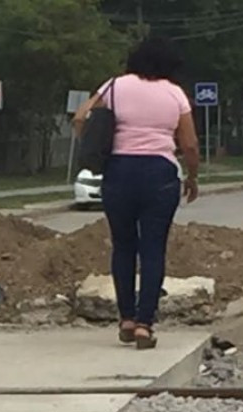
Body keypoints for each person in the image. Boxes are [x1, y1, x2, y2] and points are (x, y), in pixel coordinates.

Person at [73, 37, 200, 350]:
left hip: (119, 172)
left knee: (123, 246)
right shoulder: (175, 94)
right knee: (153, 248)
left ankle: (126, 318)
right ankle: (145, 323)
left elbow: (80, 118)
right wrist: (193, 176)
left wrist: (94, 146)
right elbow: (190, 144)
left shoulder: (114, 87)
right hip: (160, 174)